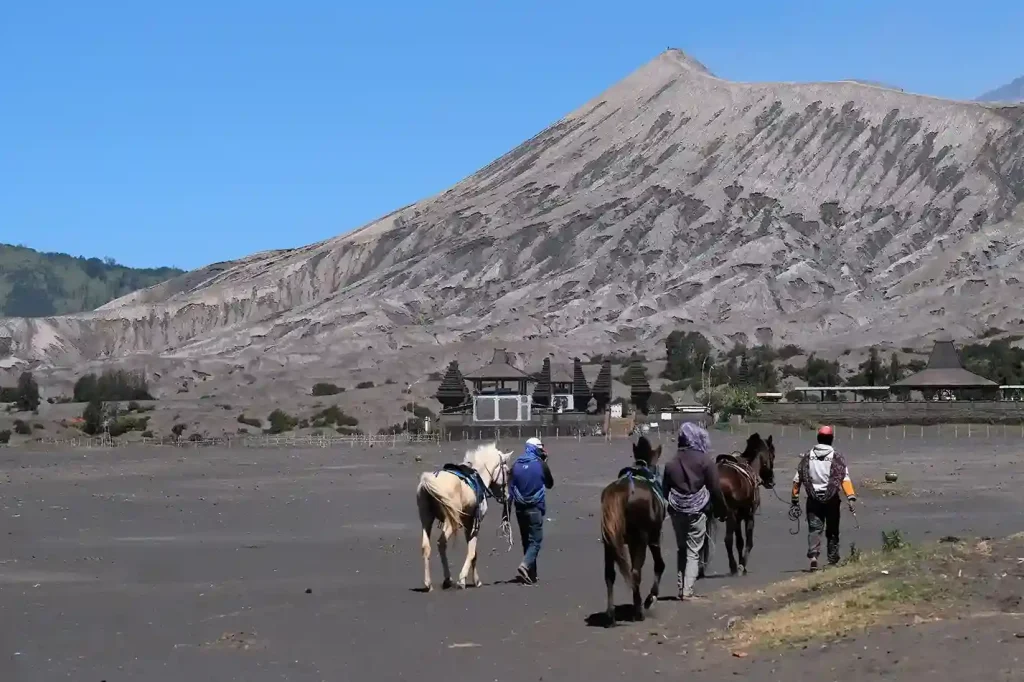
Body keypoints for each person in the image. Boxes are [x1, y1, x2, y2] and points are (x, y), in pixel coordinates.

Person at [661, 422, 727, 600]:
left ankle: (681, 587)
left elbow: (664, 490)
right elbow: (715, 488)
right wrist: (723, 509)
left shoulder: (671, 463)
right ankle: (687, 591)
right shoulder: (705, 461)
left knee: (681, 548)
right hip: (697, 511)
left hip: (676, 511)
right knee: (693, 551)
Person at [791, 425, 857, 570]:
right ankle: (832, 559)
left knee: (814, 529)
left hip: (813, 499)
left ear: (818, 438)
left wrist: (794, 500)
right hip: (832, 500)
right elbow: (844, 479)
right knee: (832, 529)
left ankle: (814, 557)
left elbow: (797, 480)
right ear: (831, 439)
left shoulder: (807, 456)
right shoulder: (837, 457)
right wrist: (850, 497)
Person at [508, 436, 554, 585]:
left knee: (526, 541)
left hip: (519, 509)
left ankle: (531, 575)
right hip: (535, 508)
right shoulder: (540, 464)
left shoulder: (515, 465)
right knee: (536, 541)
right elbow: (549, 484)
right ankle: (524, 566)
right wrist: (545, 464)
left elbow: (510, 489)